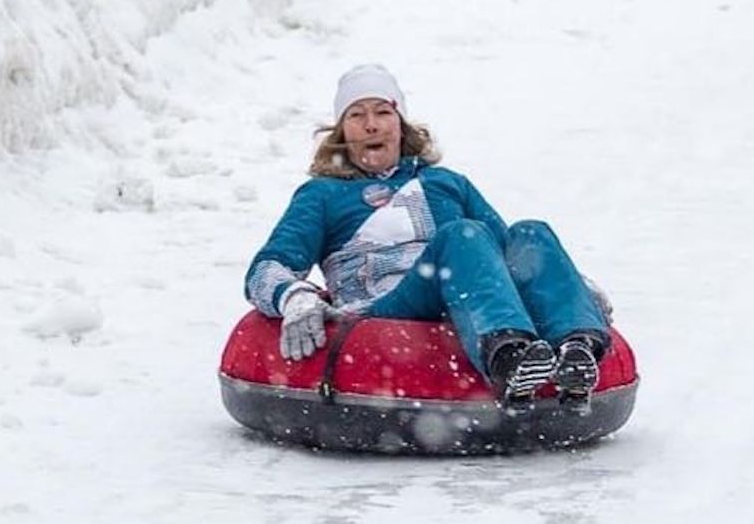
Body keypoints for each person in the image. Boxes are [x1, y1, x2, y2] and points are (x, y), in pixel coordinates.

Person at [242, 66, 610, 412]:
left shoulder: (446, 182)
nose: (371, 126)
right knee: (462, 235)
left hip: (457, 296)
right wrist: (294, 296)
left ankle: (576, 351)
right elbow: (266, 268)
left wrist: (571, 287)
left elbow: (508, 251)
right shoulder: (322, 194)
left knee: (532, 231)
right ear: (342, 132)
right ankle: (510, 358)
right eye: (357, 115)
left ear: (400, 123)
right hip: (385, 304)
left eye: (382, 112)